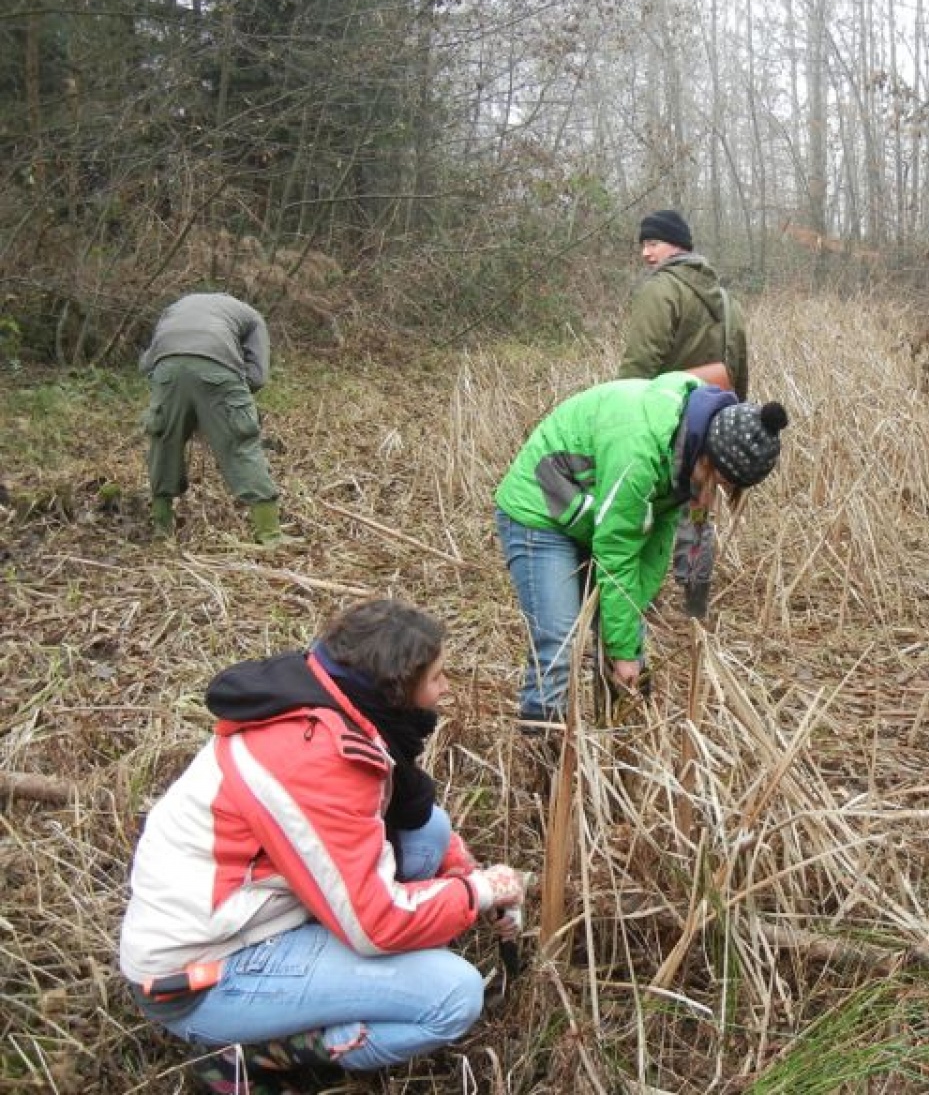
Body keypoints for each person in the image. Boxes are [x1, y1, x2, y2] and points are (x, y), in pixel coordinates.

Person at [119, 599, 526, 1093]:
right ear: (397, 690)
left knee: (430, 832)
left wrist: (466, 870)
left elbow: (414, 819)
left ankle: (365, 982)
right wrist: (479, 892)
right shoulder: (316, 761)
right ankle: (249, 1056)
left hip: (255, 916)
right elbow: (374, 926)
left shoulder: (331, 703)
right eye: (437, 677)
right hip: (201, 978)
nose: (445, 689)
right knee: (453, 995)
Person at [494, 372, 787, 726]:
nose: (714, 495)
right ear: (708, 456)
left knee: (626, 637)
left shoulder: (687, 452)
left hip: (592, 513)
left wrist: (629, 634)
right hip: (541, 509)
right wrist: (622, 652)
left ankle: (616, 743)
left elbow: (653, 549)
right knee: (560, 642)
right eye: (719, 483)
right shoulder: (641, 449)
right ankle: (546, 762)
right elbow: (617, 551)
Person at [619, 209, 752, 618]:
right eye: (643, 243)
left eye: (653, 243)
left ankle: (641, 597)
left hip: (665, 420)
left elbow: (639, 365)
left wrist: (622, 417)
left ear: (677, 245)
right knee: (696, 513)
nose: (645, 252)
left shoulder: (660, 291)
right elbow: (738, 365)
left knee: (645, 507)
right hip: (711, 422)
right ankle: (695, 603)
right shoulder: (726, 299)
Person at [139, 292, 294, 546]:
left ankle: (161, 529)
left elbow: (146, 365)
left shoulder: (174, 309)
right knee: (241, 443)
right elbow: (258, 376)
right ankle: (270, 534)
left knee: (164, 441)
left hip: (166, 368)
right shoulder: (252, 318)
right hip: (218, 369)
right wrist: (227, 406)